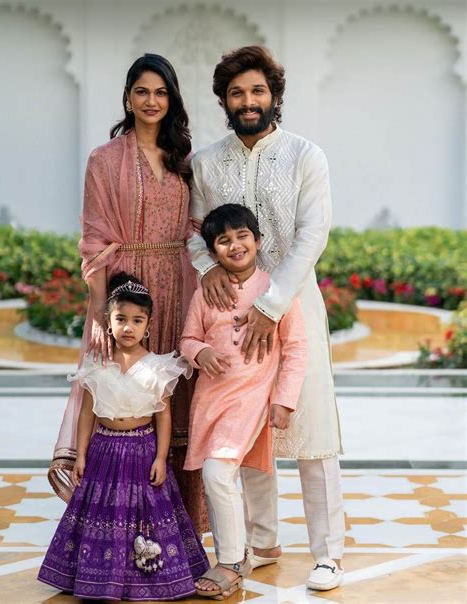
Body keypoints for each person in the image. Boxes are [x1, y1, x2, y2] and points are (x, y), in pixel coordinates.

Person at [187, 46, 345, 591]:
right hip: (229, 314)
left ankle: (328, 552)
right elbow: (195, 230)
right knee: (245, 428)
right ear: (224, 101)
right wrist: (206, 263)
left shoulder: (306, 155)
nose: (248, 101)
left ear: (274, 95)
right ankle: (260, 542)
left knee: (310, 428)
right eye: (237, 93)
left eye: (257, 91)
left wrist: (269, 305)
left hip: (296, 303)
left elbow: (312, 235)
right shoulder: (207, 162)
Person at [48, 53, 207, 533]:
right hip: (126, 294)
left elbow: (198, 227)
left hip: (179, 285)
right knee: (119, 392)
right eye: (142, 91)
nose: (151, 101)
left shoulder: (184, 158)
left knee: (173, 397)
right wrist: (100, 311)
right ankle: (116, 522)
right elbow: (95, 239)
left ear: (172, 98)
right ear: (128, 96)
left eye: (161, 92)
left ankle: (177, 525)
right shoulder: (104, 159)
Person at [38, 272, 209, 600]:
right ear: (108, 321)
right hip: (104, 449)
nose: (128, 327)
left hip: (143, 449)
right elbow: (87, 412)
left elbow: (164, 415)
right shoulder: (96, 363)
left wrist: (161, 457)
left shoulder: (160, 366)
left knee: (144, 514)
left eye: (137, 320)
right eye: (121, 319)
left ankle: (145, 578)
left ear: (149, 324)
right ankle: (100, 577)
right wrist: (82, 454)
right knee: (103, 513)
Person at [180, 204, 307, 599]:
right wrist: (200, 353)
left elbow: (297, 348)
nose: (235, 246)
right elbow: (187, 339)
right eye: (223, 240)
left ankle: (232, 562)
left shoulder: (275, 291)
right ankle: (240, 551)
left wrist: (284, 400)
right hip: (209, 401)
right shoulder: (207, 291)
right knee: (216, 476)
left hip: (250, 398)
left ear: (258, 240)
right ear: (213, 251)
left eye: (242, 236)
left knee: (218, 474)